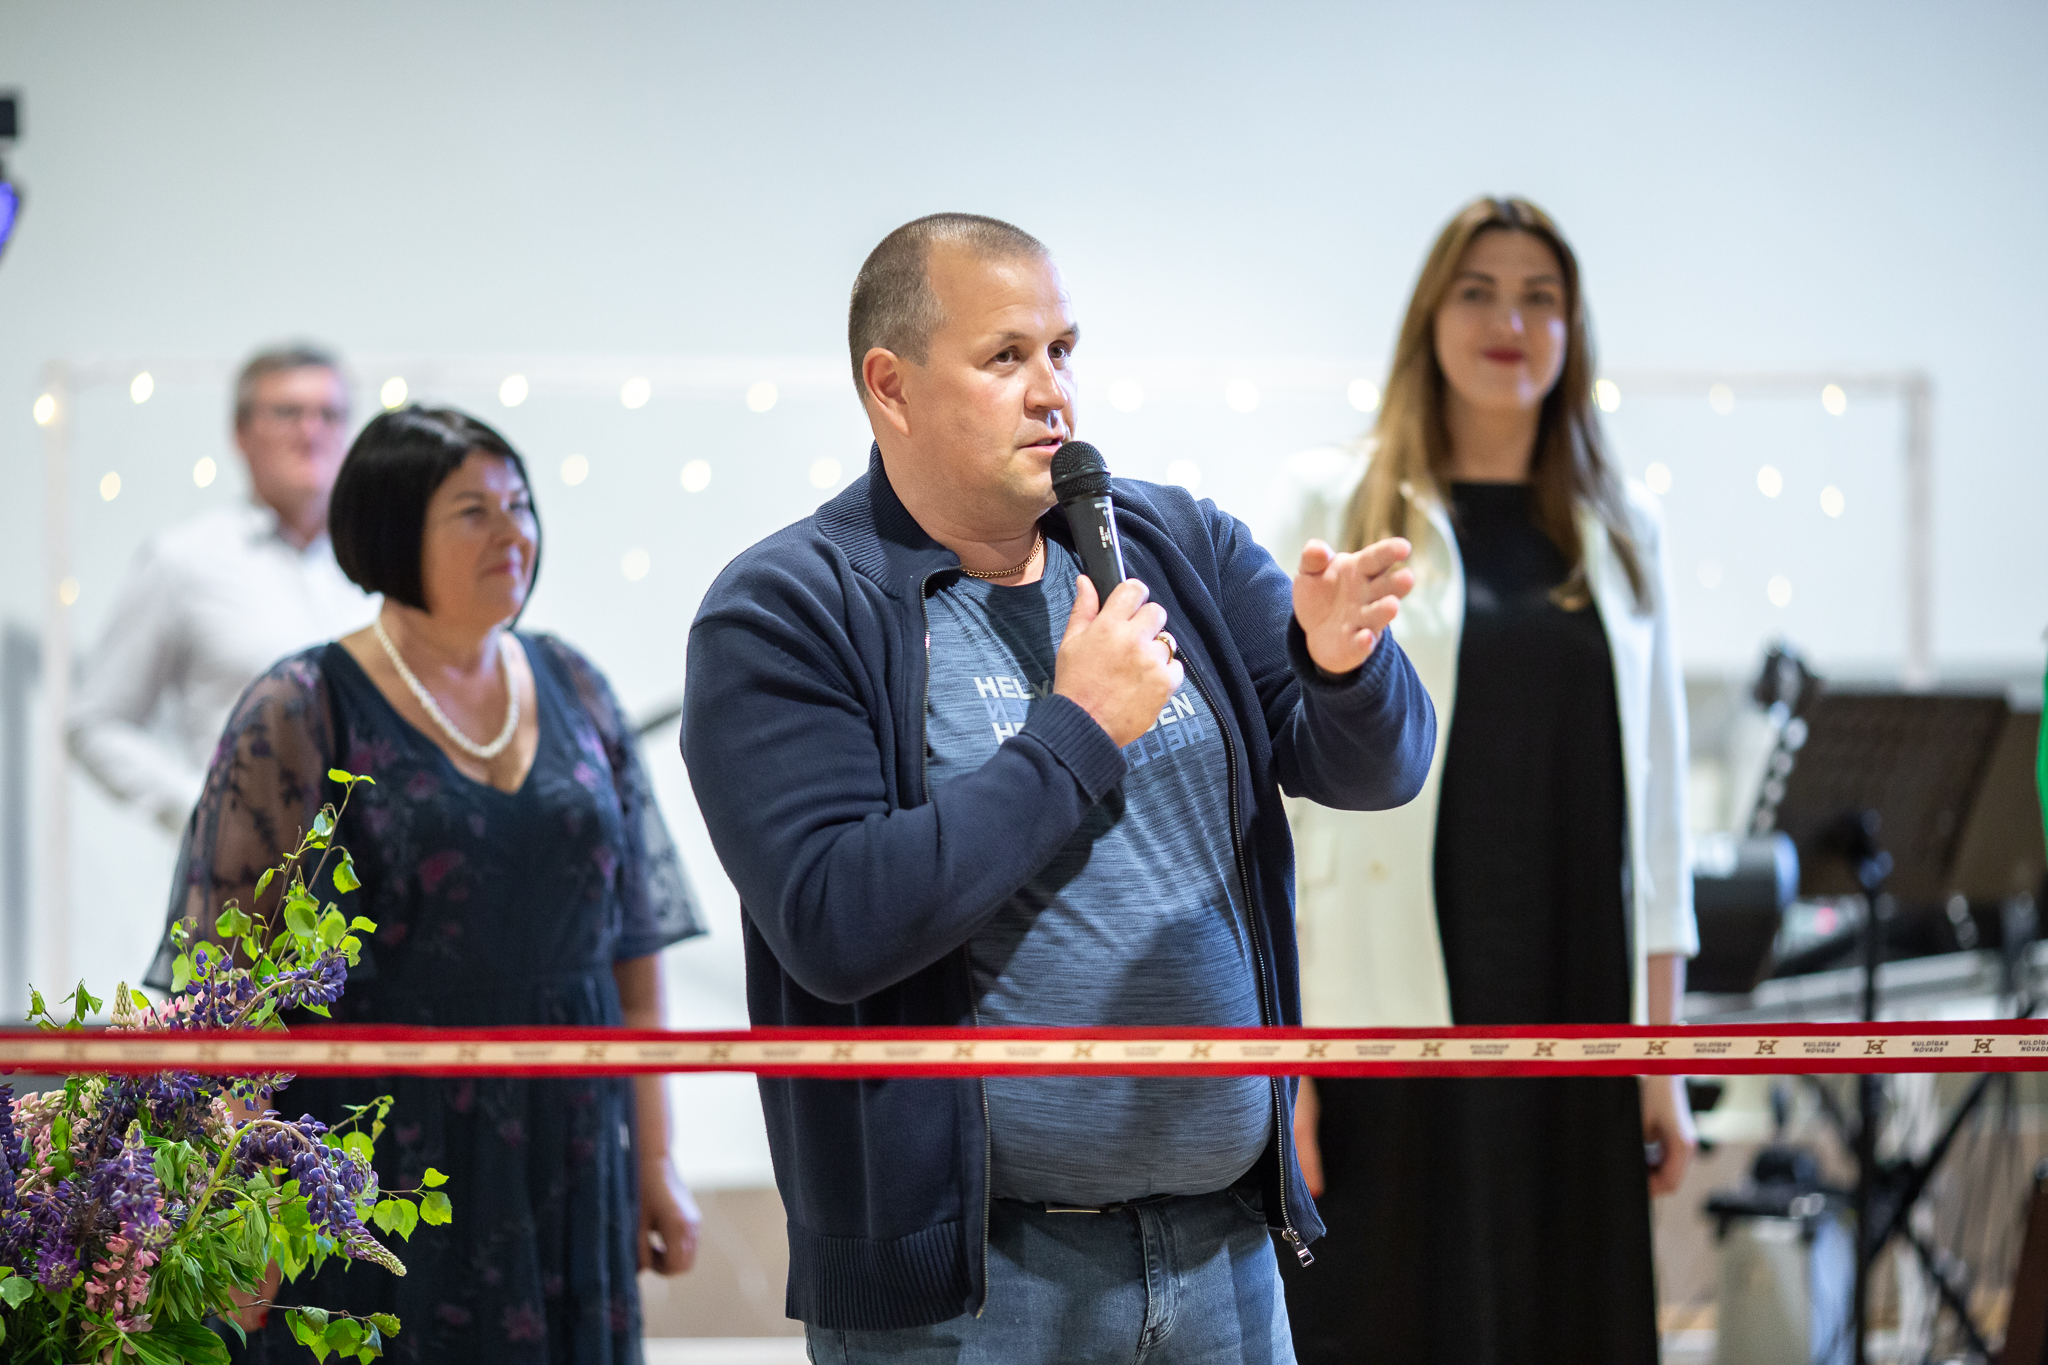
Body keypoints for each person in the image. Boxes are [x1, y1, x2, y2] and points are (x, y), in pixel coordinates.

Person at [681, 213, 1436, 1364]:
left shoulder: (1174, 544)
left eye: (1062, 350)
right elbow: (836, 920)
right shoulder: (786, 610)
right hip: (972, 1295)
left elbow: (1378, 770)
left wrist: (1343, 670)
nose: (1053, 393)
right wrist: (1076, 730)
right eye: (1005, 357)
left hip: (1223, 1256)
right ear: (890, 386)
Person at [145, 407, 706, 1363]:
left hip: (571, 1133)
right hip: (373, 1148)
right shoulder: (301, 704)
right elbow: (225, 986)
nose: (511, 533)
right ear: (392, 530)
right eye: (472, 511)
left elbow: (633, 951)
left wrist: (656, 1159)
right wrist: (239, 1204)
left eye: (520, 504)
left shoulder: (576, 682)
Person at [1270, 196, 1697, 1365]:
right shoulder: (1335, 502)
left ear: (1571, 332)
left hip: (1576, 984)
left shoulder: (1621, 527)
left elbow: (1658, 815)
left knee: (1564, 1311)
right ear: (1429, 318)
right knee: (1389, 1311)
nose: (1508, 322)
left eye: (1538, 298)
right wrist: (1286, 1062)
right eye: (1477, 292)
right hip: (1380, 993)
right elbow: (1278, 796)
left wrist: (1661, 1056)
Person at [70, 344, 375, 834]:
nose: (311, 432)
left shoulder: (385, 565)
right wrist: (203, 809)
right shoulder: (185, 560)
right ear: (241, 432)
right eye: (288, 413)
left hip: (376, 867)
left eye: (330, 414)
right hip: (242, 871)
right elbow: (96, 722)